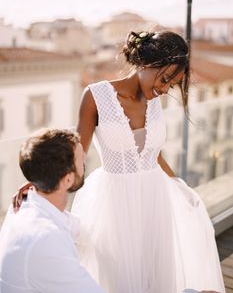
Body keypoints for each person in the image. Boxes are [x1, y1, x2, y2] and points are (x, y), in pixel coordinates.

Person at [71, 31, 225, 293]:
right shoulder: (95, 97)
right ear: (145, 63)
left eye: (171, 85)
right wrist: (42, 187)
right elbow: (76, 155)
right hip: (115, 204)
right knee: (117, 278)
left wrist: (179, 186)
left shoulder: (154, 102)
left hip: (155, 201)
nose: (164, 89)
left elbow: (153, 155)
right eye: (164, 79)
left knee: (156, 274)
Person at [0, 129, 105, 293]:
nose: (85, 157)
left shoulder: (24, 206)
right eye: (81, 160)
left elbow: (77, 227)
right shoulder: (46, 238)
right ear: (68, 179)